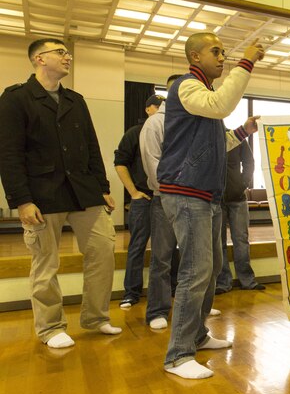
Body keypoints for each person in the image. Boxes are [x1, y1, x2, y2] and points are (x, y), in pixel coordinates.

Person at [0, 38, 122, 349]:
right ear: (39, 59)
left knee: (103, 251)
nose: (68, 56)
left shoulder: (75, 100)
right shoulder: (16, 98)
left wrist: (103, 187)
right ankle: (50, 326)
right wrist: (22, 201)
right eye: (61, 52)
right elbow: (9, 153)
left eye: (68, 52)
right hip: (41, 194)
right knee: (46, 262)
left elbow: (92, 146)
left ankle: (95, 318)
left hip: (84, 191)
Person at [156, 32, 264, 379]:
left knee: (212, 265)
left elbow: (220, 143)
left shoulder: (202, 96)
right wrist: (245, 63)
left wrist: (244, 132)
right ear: (195, 57)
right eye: (215, 51)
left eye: (224, 51)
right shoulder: (187, 87)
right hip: (187, 192)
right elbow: (221, 105)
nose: (222, 57)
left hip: (204, 194)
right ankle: (178, 355)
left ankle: (198, 335)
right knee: (195, 270)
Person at [140, 74, 183, 330]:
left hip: (194, 200)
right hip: (165, 197)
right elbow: (152, 161)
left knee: (195, 259)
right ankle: (157, 309)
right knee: (162, 257)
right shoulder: (156, 122)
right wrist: (173, 190)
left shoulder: (195, 121)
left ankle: (197, 306)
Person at [115, 94, 164, 308]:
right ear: (148, 109)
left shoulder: (168, 133)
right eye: (158, 106)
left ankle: (169, 289)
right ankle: (131, 292)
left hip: (164, 197)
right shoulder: (134, 133)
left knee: (168, 248)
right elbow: (120, 163)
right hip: (143, 197)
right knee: (137, 246)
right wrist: (133, 192)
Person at [215, 139, 265, 294]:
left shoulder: (237, 138)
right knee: (218, 243)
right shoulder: (208, 138)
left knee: (241, 240)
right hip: (215, 200)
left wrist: (243, 183)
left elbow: (249, 162)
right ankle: (223, 282)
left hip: (238, 198)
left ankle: (247, 281)